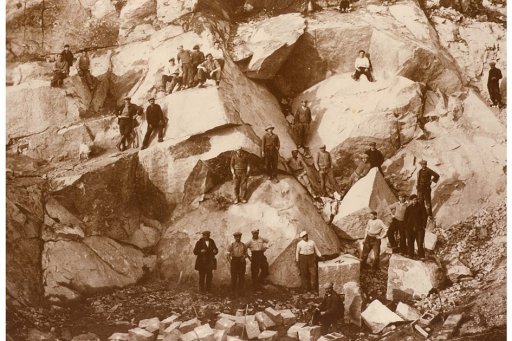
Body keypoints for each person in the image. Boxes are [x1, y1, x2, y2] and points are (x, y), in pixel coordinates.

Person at [404, 194, 427, 259]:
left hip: (419, 228)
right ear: (411, 200)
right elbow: (405, 218)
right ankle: (411, 255)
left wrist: (423, 226)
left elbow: (424, 217)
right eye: (413, 200)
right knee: (410, 242)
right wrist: (406, 226)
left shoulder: (421, 207)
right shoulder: (408, 208)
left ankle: (421, 256)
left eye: (416, 200)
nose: (415, 201)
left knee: (420, 243)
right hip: (410, 228)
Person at [227, 232, 248, 296]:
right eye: (236, 237)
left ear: (240, 237)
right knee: (234, 277)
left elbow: (246, 253)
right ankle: (233, 293)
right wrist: (231, 262)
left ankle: (241, 292)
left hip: (241, 262)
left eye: (239, 237)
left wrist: (244, 257)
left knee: (241, 277)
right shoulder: (232, 245)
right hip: (234, 261)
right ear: (234, 237)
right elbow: (227, 254)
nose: (238, 238)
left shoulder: (243, 245)